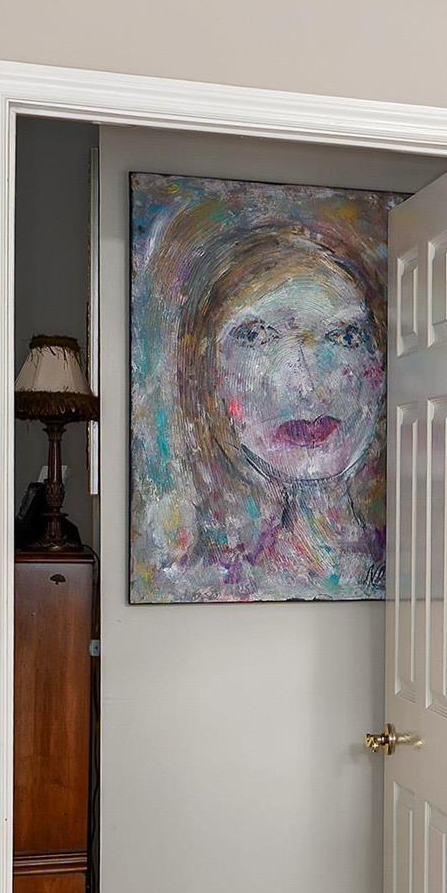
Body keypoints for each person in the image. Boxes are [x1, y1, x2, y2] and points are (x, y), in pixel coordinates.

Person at [133, 201, 388, 601]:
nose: (307, 387)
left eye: (345, 337)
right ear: (207, 373)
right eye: (257, 337)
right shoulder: (196, 582)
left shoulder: (421, 564)